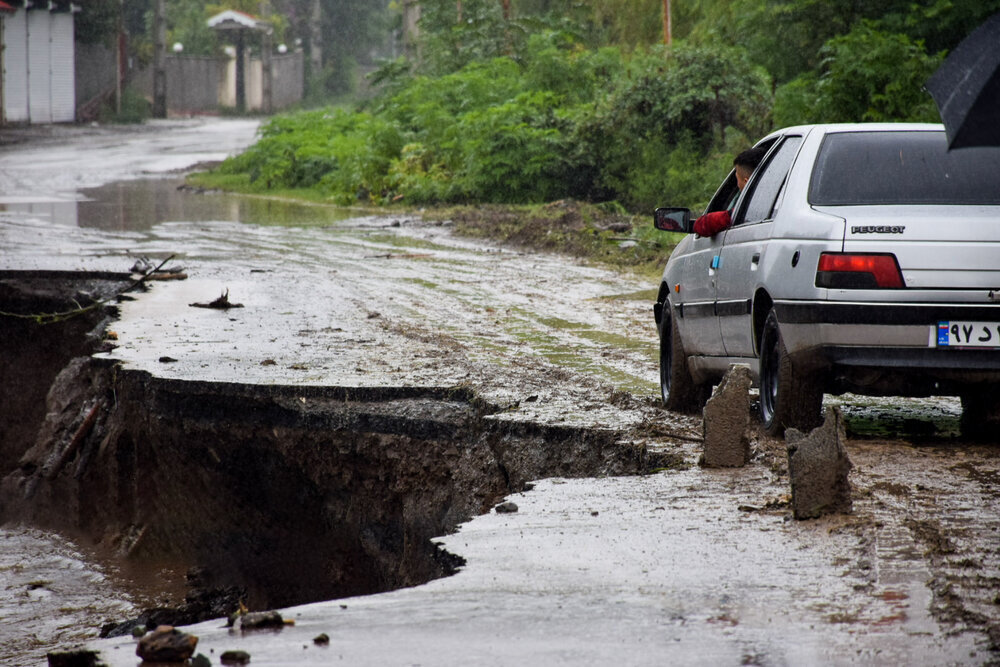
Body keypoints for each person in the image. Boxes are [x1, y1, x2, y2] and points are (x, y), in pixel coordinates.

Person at [693, 145, 769, 237]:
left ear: (747, 182)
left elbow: (704, 224)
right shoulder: (781, 198)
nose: (737, 185)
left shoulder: (750, 209)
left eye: (737, 179)